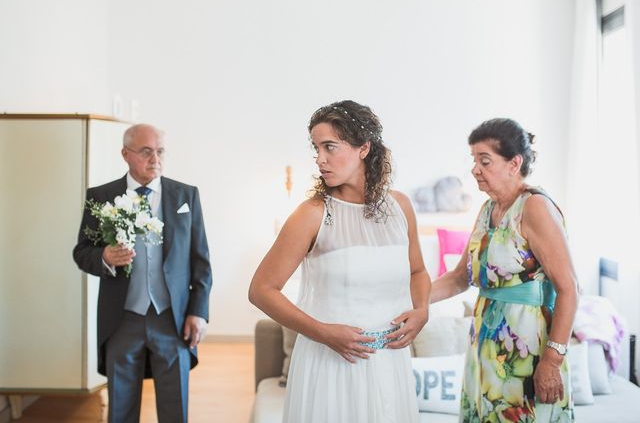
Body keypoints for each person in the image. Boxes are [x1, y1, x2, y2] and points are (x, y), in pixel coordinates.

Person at [249, 100, 430, 422]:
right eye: (316, 149)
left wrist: (422, 311)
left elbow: (418, 271)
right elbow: (262, 290)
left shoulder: (400, 206)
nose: (320, 159)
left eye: (330, 147)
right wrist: (323, 333)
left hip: (389, 363)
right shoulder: (311, 214)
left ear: (364, 148)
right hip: (329, 362)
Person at [431, 118, 578, 422]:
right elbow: (461, 277)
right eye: (474, 160)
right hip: (485, 348)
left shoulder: (534, 207)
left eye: (484, 161)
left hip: (525, 349)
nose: (475, 169)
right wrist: (409, 297)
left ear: (514, 163)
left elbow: (569, 288)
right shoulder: (488, 210)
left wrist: (552, 359)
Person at [73, 124, 212, 423]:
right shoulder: (101, 197)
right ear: (126, 154)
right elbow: (81, 252)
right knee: (120, 408)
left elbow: (201, 261)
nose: (155, 159)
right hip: (121, 318)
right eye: (146, 151)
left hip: (172, 318)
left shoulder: (186, 195)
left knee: (176, 406)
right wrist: (105, 256)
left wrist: (198, 312)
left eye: (160, 151)